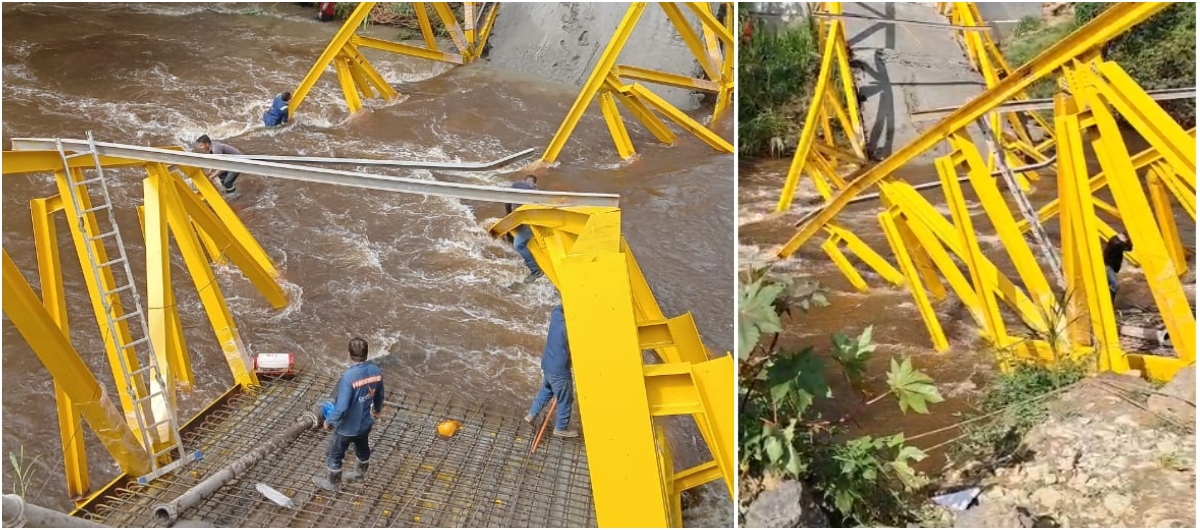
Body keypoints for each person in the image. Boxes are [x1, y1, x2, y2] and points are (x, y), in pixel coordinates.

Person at [314, 337, 385, 491]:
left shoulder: (348, 377)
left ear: (350, 354)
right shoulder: (375, 371)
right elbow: (379, 396)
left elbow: (342, 406)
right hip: (365, 424)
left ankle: (333, 483)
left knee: (334, 454)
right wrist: (377, 410)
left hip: (347, 428)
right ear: (367, 353)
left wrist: (329, 421)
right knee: (362, 449)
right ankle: (359, 475)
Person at [524, 305, 578, 438]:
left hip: (547, 364)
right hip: (560, 371)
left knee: (547, 390)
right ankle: (560, 428)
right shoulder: (571, 330)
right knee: (565, 399)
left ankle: (531, 415)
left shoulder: (557, 319)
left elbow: (557, 308)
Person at [505, 174, 544, 284]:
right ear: (535, 183)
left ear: (524, 180)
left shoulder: (516, 184)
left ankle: (535, 270)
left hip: (526, 218)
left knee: (518, 245)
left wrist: (508, 216)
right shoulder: (538, 191)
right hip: (536, 218)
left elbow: (507, 202)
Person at [1102, 232, 1133, 304]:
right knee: (1114, 285)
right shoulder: (1116, 243)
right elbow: (1129, 248)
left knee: (1109, 284)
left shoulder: (1116, 240)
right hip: (1108, 266)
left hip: (1111, 266)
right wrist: (1129, 242)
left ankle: (1107, 302)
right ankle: (1109, 304)